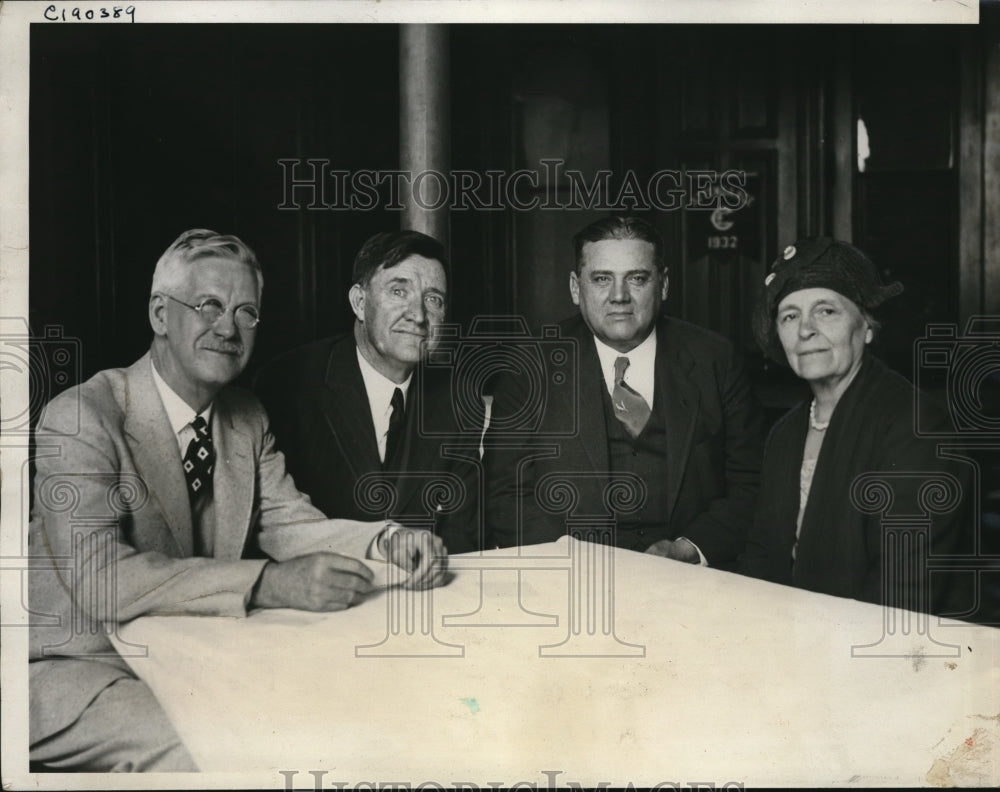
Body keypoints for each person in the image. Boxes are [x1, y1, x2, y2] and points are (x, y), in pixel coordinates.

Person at [28, 229, 448, 772]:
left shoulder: (245, 417)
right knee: (211, 752)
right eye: (208, 306)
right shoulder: (81, 415)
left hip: (190, 654)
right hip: (75, 666)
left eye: (246, 312)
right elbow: (100, 579)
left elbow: (289, 523)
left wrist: (387, 540)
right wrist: (268, 583)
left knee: (337, 722)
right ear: (160, 313)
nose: (228, 328)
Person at [485, 216, 765, 569]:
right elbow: (505, 493)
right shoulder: (529, 367)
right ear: (575, 288)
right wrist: (568, 559)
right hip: (570, 582)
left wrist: (690, 549)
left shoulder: (715, 360)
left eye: (637, 278)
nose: (619, 296)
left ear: (663, 285)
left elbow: (751, 483)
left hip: (692, 583)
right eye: (602, 279)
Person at [740, 236, 968, 612]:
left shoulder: (915, 426)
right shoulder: (785, 432)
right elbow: (762, 557)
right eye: (790, 315)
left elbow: (902, 596)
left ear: (867, 327)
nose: (805, 330)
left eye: (826, 311)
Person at [254, 230, 480, 554]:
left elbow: (461, 537)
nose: (418, 315)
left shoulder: (458, 398)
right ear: (360, 303)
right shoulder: (288, 385)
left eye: (433, 299)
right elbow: (273, 527)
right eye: (399, 291)